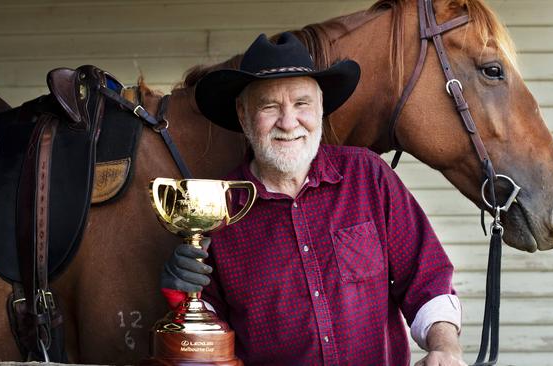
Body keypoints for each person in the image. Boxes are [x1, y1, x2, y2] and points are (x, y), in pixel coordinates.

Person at [161, 32, 465, 366]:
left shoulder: (367, 176)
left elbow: (428, 277)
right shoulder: (219, 207)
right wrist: (184, 296)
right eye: (269, 106)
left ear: (320, 107)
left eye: (301, 103)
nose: (289, 122)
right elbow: (210, 334)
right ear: (243, 114)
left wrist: (445, 348)